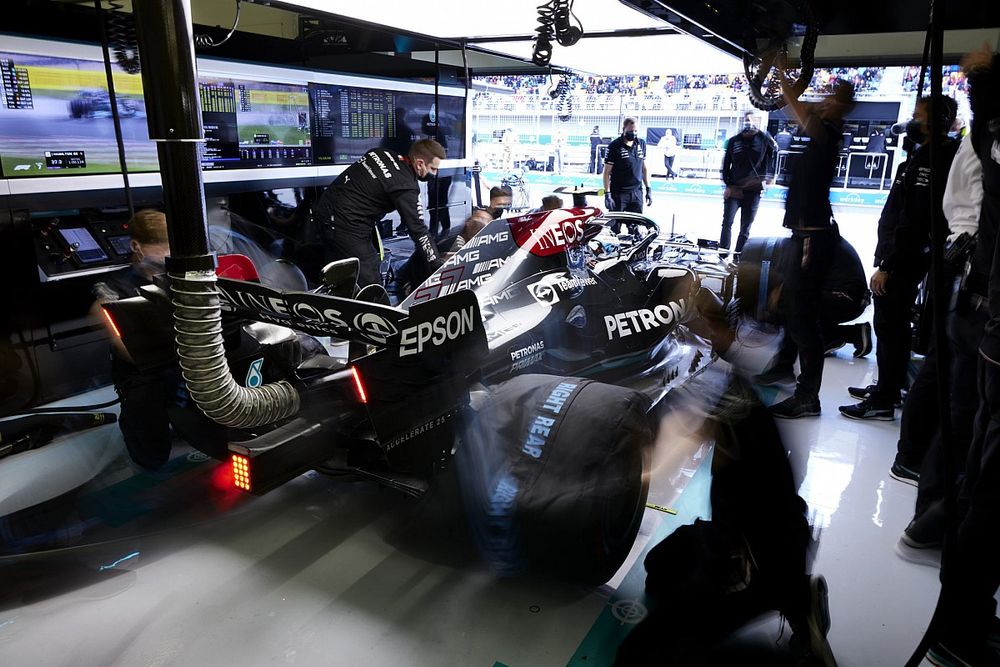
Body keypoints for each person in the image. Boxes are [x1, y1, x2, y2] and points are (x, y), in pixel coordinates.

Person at [926, 45, 1000, 667]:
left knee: (980, 455)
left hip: (979, 305)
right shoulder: (984, 138)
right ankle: (960, 624)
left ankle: (933, 523)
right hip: (984, 309)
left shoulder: (979, 138)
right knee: (988, 473)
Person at [892, 131, 985, 567]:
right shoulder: (979, 138)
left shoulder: (973, 137)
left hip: (963, 268)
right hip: (976, 276)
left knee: (953, 395)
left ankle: (928, 511)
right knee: (967, 410)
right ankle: (932, 520)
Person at [839, 95, 960, 421]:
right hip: (902, 255)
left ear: (936, 120)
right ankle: (887, 387)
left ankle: (883, 399)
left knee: (891, 328)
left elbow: (915, 219)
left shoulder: (935, 159)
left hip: (904, 260)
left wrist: (888, 266)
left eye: (918, 115)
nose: (912, 121)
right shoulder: (923, 156)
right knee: (891, 328)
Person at [768, 69, 855, 420]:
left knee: (804, 318)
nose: (827, 99)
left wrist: (781, 72)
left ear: (845, 107)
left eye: (836, 97)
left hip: (813, 239)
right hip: (803, 236)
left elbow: (796, 107)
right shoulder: (823, 124)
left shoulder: (829, 132)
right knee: (791, 306)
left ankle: (807, 397)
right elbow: (799, 106)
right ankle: (783, 365)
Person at [91, 210, 185, 470]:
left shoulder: (179, 277)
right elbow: (121, 341)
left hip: (184, 361)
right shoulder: (113, 287)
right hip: (143, 372)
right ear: (136, 246)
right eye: (162, 246)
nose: (168, 254)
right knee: (150, 452)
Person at [313, 139, 445, 288]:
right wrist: (436, 264)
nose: (435, 173)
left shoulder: (381, 153)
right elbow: (418, 230)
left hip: (324, 210)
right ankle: (367, 308)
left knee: (339, 270)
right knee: (368, 276)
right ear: (420, 164)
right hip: (346, 224)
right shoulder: (405, 186)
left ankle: (336, 302)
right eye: (433, 169)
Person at [756, 234, 873, 388]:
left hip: (846, 298)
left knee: (796, 305)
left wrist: (779, 293)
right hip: (849, 297)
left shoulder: (815, 240)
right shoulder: (825, 236)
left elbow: (803, 280)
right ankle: (845, 335)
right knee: (797, 304)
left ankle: (846, 335)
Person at [719, 112, 778, 254]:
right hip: (734, 189)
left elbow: (774, 156)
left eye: (752, 120)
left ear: (757, 121)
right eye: (746, 120)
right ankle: (722, 254)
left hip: (753, 191)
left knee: (745, 228)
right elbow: (726, 164)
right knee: (727, 223)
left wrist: (771, 177)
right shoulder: (734, 141)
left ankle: (738, 257)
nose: (749, 123)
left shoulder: (764, 139)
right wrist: (727, 185)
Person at [603, 118, 652, 232]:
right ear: (623, 129)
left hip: (637, 193)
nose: (633, 134)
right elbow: (606, 173)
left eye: (635, 131)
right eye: (630, 131)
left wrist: (648, 189)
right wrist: (607, 194)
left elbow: (644, 168)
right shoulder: (614, 146)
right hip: (618, 194)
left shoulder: (641, 144)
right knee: (615, 229)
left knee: (635, 229)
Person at [423, 105, 454, 239]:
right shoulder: (433, 136)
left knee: (438, 203)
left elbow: (440, 156)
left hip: (441, 175)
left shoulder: (438, 136)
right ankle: (441, 229)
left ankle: (438, 230)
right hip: (438, 174)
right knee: (438, 203)